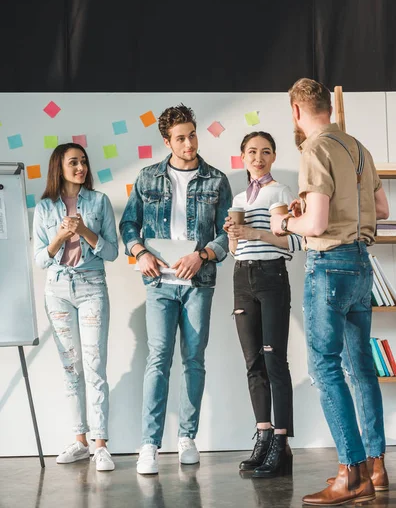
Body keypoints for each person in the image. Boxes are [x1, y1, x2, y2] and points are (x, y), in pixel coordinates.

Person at [270, 78, 390, 505]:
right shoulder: (358, 147)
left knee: (324, 367)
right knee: (360, 367)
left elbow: (317, 226)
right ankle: (376, 465)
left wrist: (284, 222)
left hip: (329, 266)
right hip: (361, 264)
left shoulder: (314, 149)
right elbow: (381, 210)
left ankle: (350, 472)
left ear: (297, 111)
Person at [120, 104, 232, 475]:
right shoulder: (147, 177)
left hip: (198, 283)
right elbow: (129, 225)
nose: (189, 143)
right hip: (159, 284)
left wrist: (202, 255)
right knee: (158, 359)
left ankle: (187, 437)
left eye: (192, 135)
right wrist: (139, 253)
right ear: (166, 141)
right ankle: (150, 444)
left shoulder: (216, 180)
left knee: (194, 360)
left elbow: (226, 234)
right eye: (180, 138)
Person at [33, 143, 118, 471]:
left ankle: (100, 445)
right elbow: (40, 258)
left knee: (95, 366)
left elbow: (111, 252)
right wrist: (58, 238)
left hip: (92, 287)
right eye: (74, 162)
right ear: (59, 167)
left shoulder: (99, 202)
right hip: (57, 290)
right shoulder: (45, 207)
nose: (81, 167)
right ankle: (79, 440)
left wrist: (84, 231)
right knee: (71, 368)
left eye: (83, 161)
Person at [224, 132, 301, 478]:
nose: (258, 157)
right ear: (242, 156)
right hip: (242, 277)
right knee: (253, 361)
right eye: (252, 152)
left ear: (273, 156)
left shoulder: (280, 192)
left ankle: (281, 445)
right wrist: (232, 234)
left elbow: (289, 243)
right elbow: (235, 250)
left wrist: (255, 233)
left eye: (266, 151)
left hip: (272, 276)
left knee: (274, 361)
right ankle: (264, 434)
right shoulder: (239, 197)